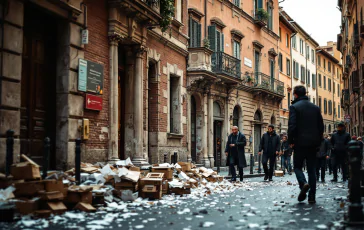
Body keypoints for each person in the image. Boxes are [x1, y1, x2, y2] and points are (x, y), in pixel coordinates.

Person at [288, 86, 324, 204]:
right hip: (313, 143)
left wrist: (291, 141)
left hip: (299, 142)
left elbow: (292, 126)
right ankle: (312, 197)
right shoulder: (316, 108)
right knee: (312, 170)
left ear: (296, 95)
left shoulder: (294, 107)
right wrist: (318, 142)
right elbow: (321, 127)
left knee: (297, 167)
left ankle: (303, 183)